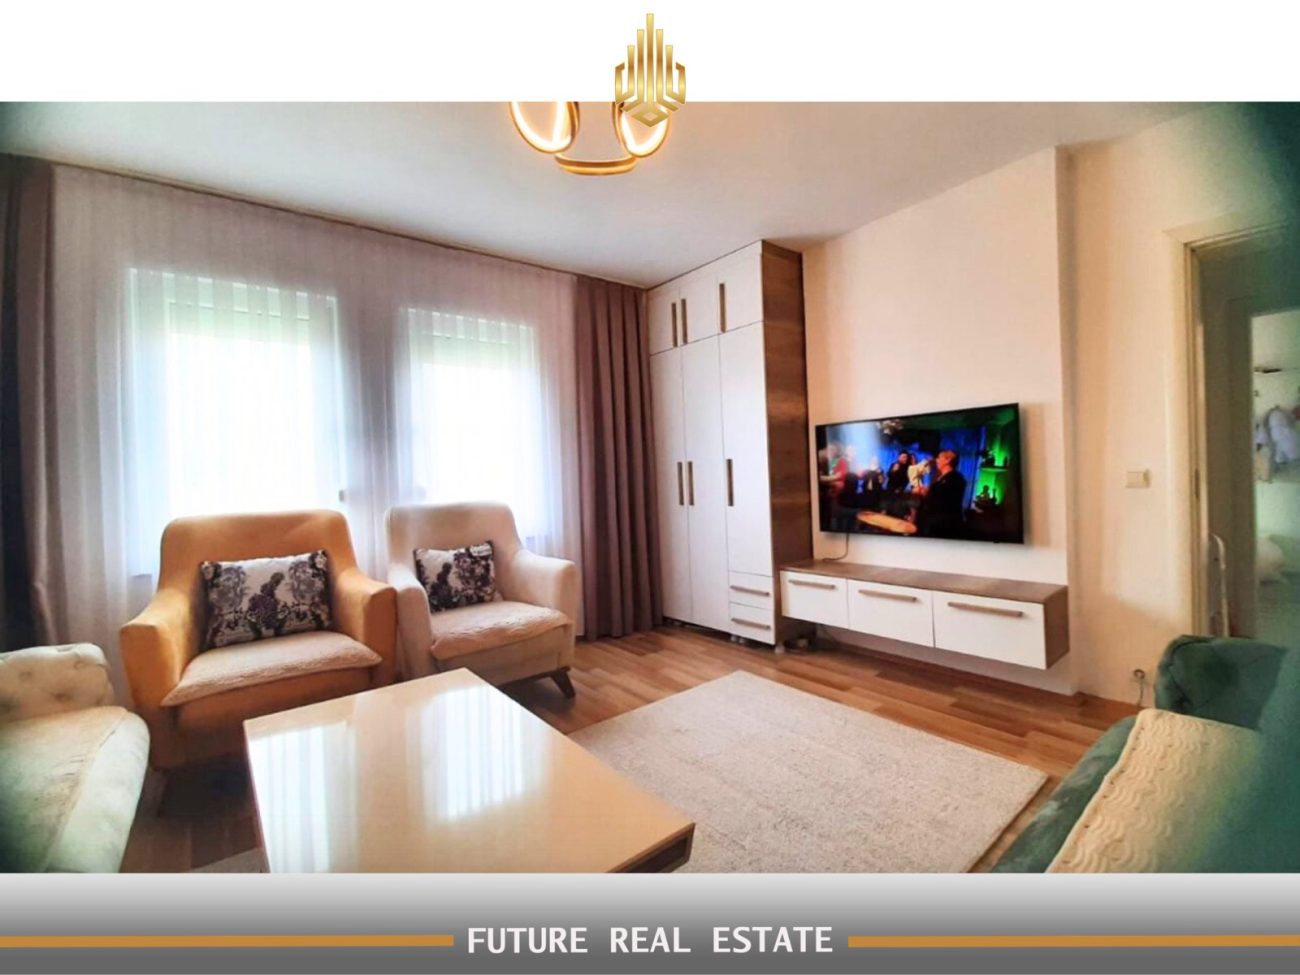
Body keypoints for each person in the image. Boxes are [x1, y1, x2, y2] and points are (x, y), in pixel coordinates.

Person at [916, 449, 967, 538]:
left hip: (946, 525)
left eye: (939, 457)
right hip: (935, 521)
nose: (936, 460)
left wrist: (926, 494)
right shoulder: (940, 477)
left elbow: (945, 501)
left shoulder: (956, 478)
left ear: (948, 460)